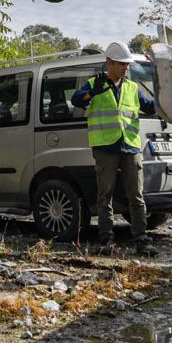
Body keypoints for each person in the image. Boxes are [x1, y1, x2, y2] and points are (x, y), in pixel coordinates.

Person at [71, 42, 156, 247]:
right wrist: (93, 93)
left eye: (127, 65)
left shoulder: (133, 87)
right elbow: (76, 100)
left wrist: (166, 92)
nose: (126, 68)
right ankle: (106, 238)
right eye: (121, 64)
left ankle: (141, 238)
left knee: (136, 195)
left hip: (130, 146)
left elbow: (152, 107)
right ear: (109, 64)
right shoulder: (94, 84)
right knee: (105, 196)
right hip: (105, 146)